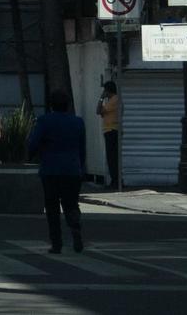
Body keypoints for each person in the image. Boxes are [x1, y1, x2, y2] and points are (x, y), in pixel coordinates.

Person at [28, 90, 86, 254]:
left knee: (52, 207)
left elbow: (33, 142)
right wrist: (81, 167)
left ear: (52, 105)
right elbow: (82, 148)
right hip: (72, 169)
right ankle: (75, 225)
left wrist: (32, 155)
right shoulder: (78, 122)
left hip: (51, 168)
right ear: (68, 105)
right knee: (71, 203)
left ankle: (57, 243)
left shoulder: (44, 121)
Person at [96, 81, 120, 188]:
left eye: (105, 90)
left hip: (111, 131)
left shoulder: (113, 100)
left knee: (112, 157)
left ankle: (115, 181)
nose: (104, 92)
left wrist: (101, 98)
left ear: (108, 90)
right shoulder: (114, 100)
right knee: (113, 157)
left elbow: (98, 110)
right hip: (112, 130)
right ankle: (116, 180)